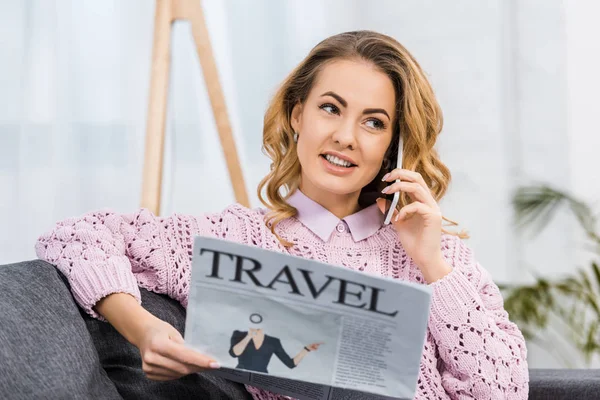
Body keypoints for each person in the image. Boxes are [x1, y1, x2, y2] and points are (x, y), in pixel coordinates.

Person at [35, 30, 529, 399]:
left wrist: (432, 264)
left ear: (393, 145)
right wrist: (142, 328)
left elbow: (504, 391)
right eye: (330, 109)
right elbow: (78, 235)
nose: (345, 137)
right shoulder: (239, 237)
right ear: (298, 116)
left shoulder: (439, 260)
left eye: (373, 122)